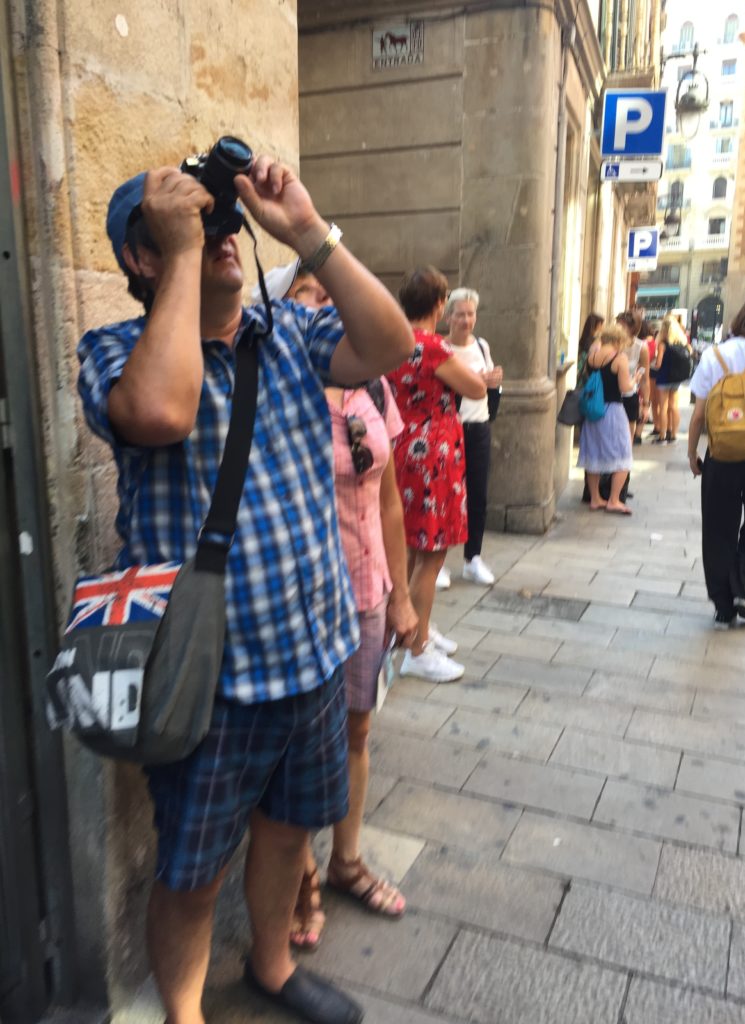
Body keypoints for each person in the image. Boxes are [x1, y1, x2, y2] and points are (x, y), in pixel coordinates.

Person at [77, 152, 414, 1024]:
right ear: (143, 262)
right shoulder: (115, 351)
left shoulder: (288, 333)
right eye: (193, 232)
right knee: (190, 872)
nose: (223, 237)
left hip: (311, 652)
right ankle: (183, 1012)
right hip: (206, 682)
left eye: (226, 227)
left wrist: (305, 229)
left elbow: (392, 344)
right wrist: (186, 248)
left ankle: (270, 965)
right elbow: (161, 413)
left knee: (286, 830)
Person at [268, 261, 418, 950]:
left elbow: (386, 496)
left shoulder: (371, 386)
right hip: (302, 602)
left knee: (358, 736)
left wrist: (401, 596)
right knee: (295, 750)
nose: (329, 303)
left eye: (335, 294)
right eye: (311, 294)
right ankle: (299, 877)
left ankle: (347, 861)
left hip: (364, 592)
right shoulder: (280, 388)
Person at [387, 266, 487, 682]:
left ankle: (410, 629)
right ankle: (418, 648)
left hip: (401, 447)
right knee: (432, 554)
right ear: (439, 304)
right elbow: (477, 389)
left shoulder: (391, 340)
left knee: (412, 547)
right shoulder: (431, 347)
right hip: (434, 455)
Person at [688, 288, 745, 629]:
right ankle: (744, 592)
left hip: (720, 453)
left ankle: (722, 601)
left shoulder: (715, 355)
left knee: (718, 527)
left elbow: (698, 414)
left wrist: (692, 453)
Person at [444, 287, 503, 585]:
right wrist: (474, 381)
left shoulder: (481, 346)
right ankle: (436, 561)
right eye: (460, 314)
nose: (466, 320)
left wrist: (494, 381)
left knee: (477, 494)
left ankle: (473, 558)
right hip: (450, 430)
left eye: (471, 314)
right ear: (449, 317)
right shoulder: (442, 349)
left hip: (478, 426)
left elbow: (489, 382)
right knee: (444, 496)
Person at [577, 321, 633, 514]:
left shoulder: (592, 356)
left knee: (593, 453)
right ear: (618, 340)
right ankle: (614, 500)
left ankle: (595, 498)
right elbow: (625, 388)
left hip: (593, 411)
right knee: (623, 455)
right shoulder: (619, 358)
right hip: (613, 412)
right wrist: (635, 380)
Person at [576, 313, 605, 504]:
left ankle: (590, 491)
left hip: (584, 388)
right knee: (595, 448)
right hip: (594, 392)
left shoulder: (583, 340)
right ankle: (593, 493)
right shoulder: (595, 344)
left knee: (588, 443)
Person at [654, 314, 692, 444]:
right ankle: (674, 434)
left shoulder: (663, 344)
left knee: (663, 407)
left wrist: (654, 364)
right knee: (674, 406)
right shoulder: (682, 343)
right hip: (676, 378)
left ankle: (662, 435)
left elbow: (658, 364)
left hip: (664, 378)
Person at [616, 310, 650, 447]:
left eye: (621, 325)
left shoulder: (641, 348)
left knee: (627, 442)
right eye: (617, 324)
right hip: (609, 396)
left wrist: (646, 405)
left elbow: (644, 378)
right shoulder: (611, 344)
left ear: (632, 328)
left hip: (629, 396)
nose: (617, 328)